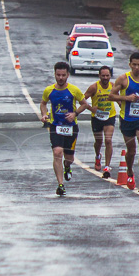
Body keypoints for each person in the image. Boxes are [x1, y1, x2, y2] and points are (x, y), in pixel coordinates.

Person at [40, 61, 92, 196]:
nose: (61, 78)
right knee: (57, 152)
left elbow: (84, 104)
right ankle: (60, 184)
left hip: (71, 127)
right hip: (55, 125)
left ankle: (67, 166)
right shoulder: (49, 90)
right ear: (55, 75)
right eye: (58, 75)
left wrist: (75, 113)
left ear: (68, 75)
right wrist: (44, 114)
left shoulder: (74, 90)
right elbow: (43, 103)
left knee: (69, 158)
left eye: (63, 75)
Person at [111, 51, 139, 193]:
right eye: (134, 65)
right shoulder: (123, 79)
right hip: (127, 119)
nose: (136, 68)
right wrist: (127, 98)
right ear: (130, 64)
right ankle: (130, 172)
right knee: (131, 151)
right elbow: (111, 96)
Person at [82, 66, 120, 177]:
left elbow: (118, 98)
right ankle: (98, 156)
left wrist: (122, 107)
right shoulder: (94, 87)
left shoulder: (113, 86)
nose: (105, 78)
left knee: (108, 140)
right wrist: (90, 108)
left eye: (107, 75)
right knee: (99, 142)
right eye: (103, 75)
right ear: (99, 76)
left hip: (110, 116)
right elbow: (82, 100)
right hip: (97, 117)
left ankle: (107, 167)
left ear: (110, 76)